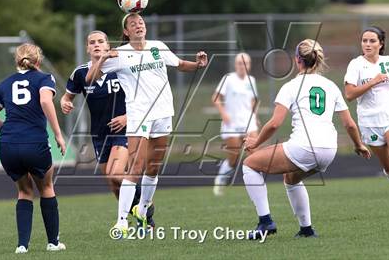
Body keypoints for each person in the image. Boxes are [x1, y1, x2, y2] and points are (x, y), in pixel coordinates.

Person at [85, 13, 208, 236]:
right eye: (132, 24)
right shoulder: (120, 54)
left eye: (140, 22)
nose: (138, 25)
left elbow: (179, 64)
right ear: (126, 32)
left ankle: (142, 211)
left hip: (163, 114)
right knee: (135, 168)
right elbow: (90, 79)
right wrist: (103, 58)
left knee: (153, 168)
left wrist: (197, 65)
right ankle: (121, 221)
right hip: (139, 115)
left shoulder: (157, 47)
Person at [243, 39, 370, 239]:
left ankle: (265, 222)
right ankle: (306, 230)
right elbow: (350, 124)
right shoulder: (330, 86)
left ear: (297, 60)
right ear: (317, 60)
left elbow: (275, 123)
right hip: (329, 150)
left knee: (249, 165)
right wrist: (359, 145)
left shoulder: (291, 86)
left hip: (304, 146)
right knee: (291, 179)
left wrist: (255, 142)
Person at [60, 30, 154, 227]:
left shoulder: (121, 67)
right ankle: (136, 217)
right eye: (92, 42)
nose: (96, 45)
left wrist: (128, 117)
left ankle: (145, 203)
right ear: (87, 48)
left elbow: (145, 97)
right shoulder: (80, 73)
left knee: (115, 173)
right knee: (112, 183)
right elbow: (68, 96)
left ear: (108, 46)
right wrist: (65, 102)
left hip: (124, 131)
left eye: (101, 41)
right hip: (99, 134)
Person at [0, 44, 67, 253]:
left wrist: (11, 129)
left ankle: (22, 246)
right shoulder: (43, 78)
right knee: (46, 187)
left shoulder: (3, 84)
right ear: (38, 61)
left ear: (17, 61)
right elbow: (45, 101)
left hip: (8, 145)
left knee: (24, 190)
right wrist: (58, 134)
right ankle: (53, 243)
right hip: (34, 142)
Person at [344, 26, 389, 185]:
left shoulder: (388, 62)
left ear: (380, 44)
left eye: (372, 41)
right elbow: (349, 95)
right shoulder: (356, 65)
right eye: (364, 41)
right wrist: (373, 82)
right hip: (369, 121)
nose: (367, 44)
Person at [212, 52, 259, 196]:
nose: (242, 66)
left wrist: (255, 116)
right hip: (231, 123)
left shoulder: (251, 80)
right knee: (234, 158)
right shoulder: (228, 79)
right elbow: (215, 98)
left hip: (248, 122)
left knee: (254, 154)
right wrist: (223, 113)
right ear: (235, 65)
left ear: (249, 65)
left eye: (246, 63)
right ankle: (220, 179)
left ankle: (255, 185)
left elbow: (253, 100)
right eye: (240, 63)